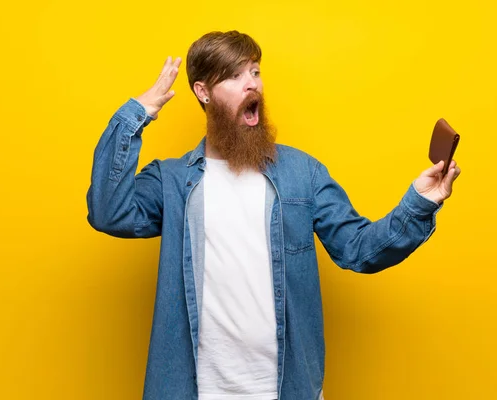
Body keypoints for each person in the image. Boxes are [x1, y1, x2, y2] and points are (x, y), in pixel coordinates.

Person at [86, 30, 461, 400]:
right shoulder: (171, 181)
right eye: (234, 76)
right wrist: (136, 114)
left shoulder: (303, 173)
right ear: (203, 92)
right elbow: (108, 213)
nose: (251, 84)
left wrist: (419, 202)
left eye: (254, 72)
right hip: (196, 391)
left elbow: (359, 249)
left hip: (285, 389)